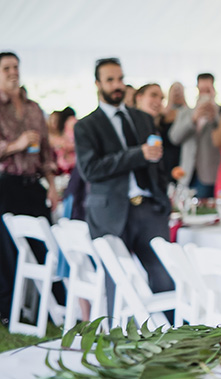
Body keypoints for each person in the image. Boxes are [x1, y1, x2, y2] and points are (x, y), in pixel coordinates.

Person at [73, 58, 173, 314]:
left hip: (149, 209)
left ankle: (173, 335)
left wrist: (162, 198)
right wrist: (137, 154)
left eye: (120, 78)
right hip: (109, 212)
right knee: (115, 281)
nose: (117, 85)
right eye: (110, 80)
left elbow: (157, 162)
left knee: (164, 274)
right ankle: (117, 338)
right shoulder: (86, 126)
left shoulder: (143, 119)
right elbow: (91, 170)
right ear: (98, 84)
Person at [0, 51, 60, 325]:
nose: (13, 72)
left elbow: (47, 152)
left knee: (44, 246)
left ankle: (51, 309)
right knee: (8, 252)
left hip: (33, 185)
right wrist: (16, 144)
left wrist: (51, 186)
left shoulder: (35, 108)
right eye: (6, 68)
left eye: (15, 67)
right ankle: (9, 312)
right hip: (5, 186)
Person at [170, 73, 221, 198]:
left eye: (207, 90)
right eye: (201, 90)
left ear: (213, 90)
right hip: (187, 173)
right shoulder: (185, 112)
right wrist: (193, 119)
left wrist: (214, 116)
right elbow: (174, 137)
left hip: (211, 174)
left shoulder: (220, 112)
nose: (204, 94)